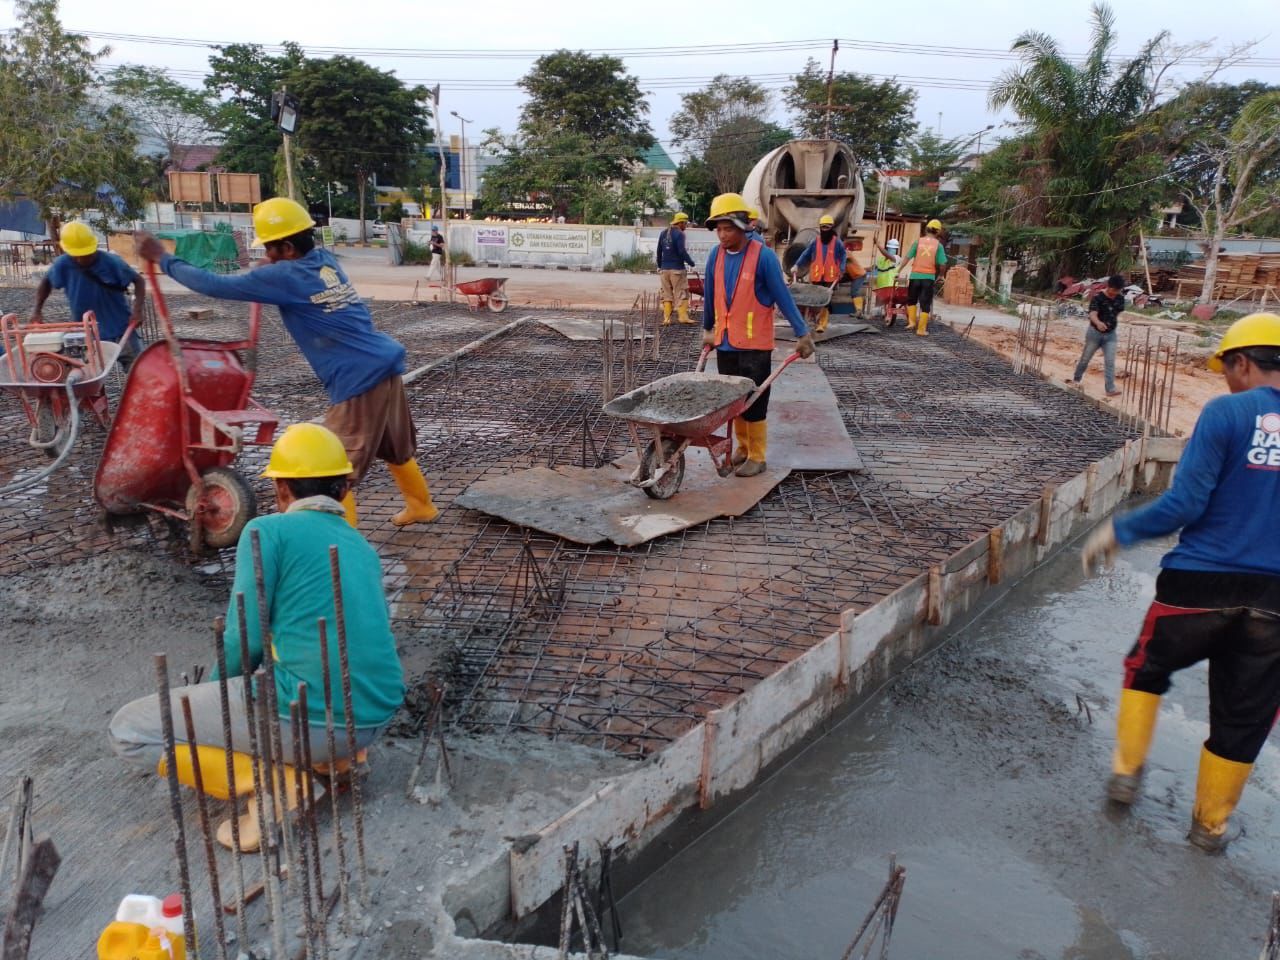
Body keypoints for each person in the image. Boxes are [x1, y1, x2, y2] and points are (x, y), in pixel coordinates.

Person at [109, 423, 406, 851]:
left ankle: (281, 785)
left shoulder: (267, 531)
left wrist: (212, 704)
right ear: (343, 488)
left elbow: (243, 638)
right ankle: (338, 761)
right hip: (373, 718)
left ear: (282, 489)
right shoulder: (361, 545)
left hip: (318, 717)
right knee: (288, 680)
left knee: (130, 730)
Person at [1081, 312, 1280, 853]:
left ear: (1242, 363)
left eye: (1227, 369)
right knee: (1244, 716)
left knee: (1145, 669)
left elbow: (1185, 503)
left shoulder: (1227, 413)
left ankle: (1125, 777)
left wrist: (1119, 532)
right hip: (1275, 603)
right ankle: (1209, 827)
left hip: (1199, 585)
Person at [135, 197, 437, 528]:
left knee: (331, 468)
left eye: (270, 248)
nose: (266, 254)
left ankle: (341, 546)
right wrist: (270, 265)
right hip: (383, 362)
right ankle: (420, 505)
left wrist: (164, 259)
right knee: (394, 446)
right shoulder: (322, 260)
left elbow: (214, 285)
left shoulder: (285, 276)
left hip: (357, 377)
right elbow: (280, 271)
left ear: (289, 248)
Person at [702, 193, 815, 477]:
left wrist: (802, 333)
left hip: (755, 345)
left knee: (754, 402)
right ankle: (742, 447)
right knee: (734, 402)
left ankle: (758, 455)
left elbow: (783, 297)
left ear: (742, 226)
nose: (722, 234)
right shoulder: (715, 255)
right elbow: (709, 296)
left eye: (728, 228)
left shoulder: (763, 256)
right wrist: (707, 329)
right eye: (718, 228)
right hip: (726, 342)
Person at [32, 221, 145, 357]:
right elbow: (46, 283)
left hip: (120, 330)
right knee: (85, 373)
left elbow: (139, 281)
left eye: (85, 254)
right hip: (85, 333)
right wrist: (37, 310)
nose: (80, 259)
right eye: (76, 255)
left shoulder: (112, 262)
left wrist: (137, 310)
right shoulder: (63, 264)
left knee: (138, 370)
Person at [1068, 274, 1125, 397]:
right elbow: (1092, 314)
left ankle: (1110, 389)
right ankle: (1076, 379)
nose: (1114, 293)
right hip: (1095, 333)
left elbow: (1116, 313)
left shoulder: (1120, 299)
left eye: (1117, 291)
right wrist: (1099, 323)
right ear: (1108, 286)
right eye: (1113, 290)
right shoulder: (1098, 297)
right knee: (1085, 358)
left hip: (1110, 335)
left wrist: (1110, 323)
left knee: (1110, 361)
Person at [791, 215, 846, 333]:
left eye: (827, 227)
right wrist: (797, 265)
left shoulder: (837, 243)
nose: (825, 229)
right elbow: (805, 254)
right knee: (813, 299)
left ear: (832, 228)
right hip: (816, 276)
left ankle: (822, 323)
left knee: (825, 301)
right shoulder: (815, 242)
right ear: (820, 228)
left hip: (830, 277)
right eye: (823, 227)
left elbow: (843, 256)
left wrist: (841, 269)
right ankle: (811, 319)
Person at [899, 219, 946, 336]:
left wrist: (898, 270)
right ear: (938, 232)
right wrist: (941, 275)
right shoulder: (938, 245)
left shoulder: (918, 242)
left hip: (915, 276)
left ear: (927, 229)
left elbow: (907, 257)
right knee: (925, 304)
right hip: (928, 278)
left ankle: (911, 323)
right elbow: (943, 263)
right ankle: (921, 330)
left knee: (912, 300)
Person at [656, 212, 697, 326]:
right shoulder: (679, 234)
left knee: (666, 294)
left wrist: (660, 265)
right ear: (681, 223)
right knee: (682, 292)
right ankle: (683, 317)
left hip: (664, 270)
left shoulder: (663, 233)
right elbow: (681, 251)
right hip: (677, 270)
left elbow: (659, 251)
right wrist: (691, 263)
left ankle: (667, 319)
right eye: (685, 224)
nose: (686, 226)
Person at [873, 238, 902, 327]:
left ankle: (888, 316)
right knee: (883, 304)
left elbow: (887, 254)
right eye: (890, 248)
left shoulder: (896, 258)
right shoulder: (881, 259)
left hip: (891, 286)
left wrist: (878, 245)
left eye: (893, 249)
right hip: (881, 287)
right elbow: (873, 267)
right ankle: (885, 315)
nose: (891, 250)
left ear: (896, 250)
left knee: (889, 302)